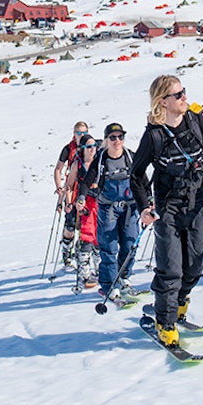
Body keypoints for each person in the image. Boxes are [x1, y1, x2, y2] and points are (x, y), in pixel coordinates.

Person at [132, 75, 203, 349]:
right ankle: (166, 321)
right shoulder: (154, 134)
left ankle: (180, 302)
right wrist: (144, 207)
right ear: (163, 102)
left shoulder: (198, 123)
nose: (184, 97)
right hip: (167, 209)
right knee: (171, 269)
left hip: (197, 203)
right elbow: (136, 174)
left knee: (195, 265)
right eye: (178, 95)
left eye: (184, 92)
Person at [85, 122, 140, 301]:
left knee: (130, 244)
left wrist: (149, 202)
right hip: (108, 208)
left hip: (130, 208)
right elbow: (87, 180)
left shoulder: (130, 157)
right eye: (113, 137)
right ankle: (110, 285)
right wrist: (80, 198)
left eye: (120, 137)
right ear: (107, 140)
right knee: (109, 247)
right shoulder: (100, 160)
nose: (117, 141)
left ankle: (124, 277)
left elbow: (142, 180)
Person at [53, 122, 90, 268]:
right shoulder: (68, 149)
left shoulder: (91, 146)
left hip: (87, 189)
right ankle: (67, 251)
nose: (81, 135)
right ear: (74, 134)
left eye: (84, 132)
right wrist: (59, 187)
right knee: (70, 224)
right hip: (72, 188)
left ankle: (83, 253)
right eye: (79, 133)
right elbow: (58, 169)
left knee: (86, 223)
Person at [72, 133, 101, 292]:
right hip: (85, 204)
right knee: (87, 236)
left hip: (100, 202)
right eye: (88, 147)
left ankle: (99, 270)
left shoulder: (100, 162)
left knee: (100, 237)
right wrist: (71, 202)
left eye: (93, 146)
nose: (92, 150)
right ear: (82, 149)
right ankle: (85, 272)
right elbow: (70, 185)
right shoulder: (78, 164)